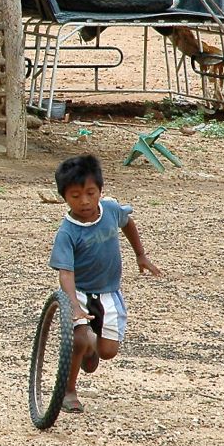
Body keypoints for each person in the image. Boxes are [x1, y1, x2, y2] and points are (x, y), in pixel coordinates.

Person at [49, 154, 161, 414]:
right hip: (79, 291)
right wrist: (74, 306)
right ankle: (69, 390)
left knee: (108, 351)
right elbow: (65, 273)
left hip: (109, 291)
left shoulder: (110, 210)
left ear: (101, 190)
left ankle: (92, 348)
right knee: (78, 339)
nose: (85, 201)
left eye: (90, 193)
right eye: (76, 196)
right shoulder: (67, 232)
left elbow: (128, 223)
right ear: (64, 197)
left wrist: (140, 254)